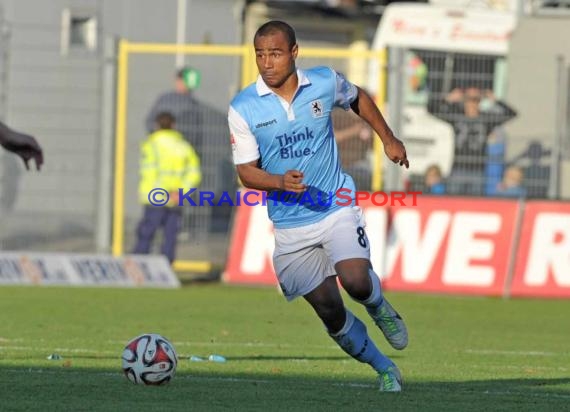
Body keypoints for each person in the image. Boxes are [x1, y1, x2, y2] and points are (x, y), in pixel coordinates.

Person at [228, 21, 409, 392]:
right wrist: (278, 182)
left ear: (294, 53)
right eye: (260, 54)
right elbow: (246, 172)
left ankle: (378, 306)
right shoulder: (243, 107)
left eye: (275, 53)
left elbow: (358, 97)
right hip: (290, 224)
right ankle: (385, 368)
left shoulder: (324, 82)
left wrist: (388, 138)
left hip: (335, 203)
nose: (267, 62)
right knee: (330, 311)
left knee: (356, 280)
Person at [133, 112, 201, 264]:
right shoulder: (184, 146)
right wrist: (180, 192)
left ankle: (138, 264)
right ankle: (166, 269)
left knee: (147, 233)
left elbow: (149, 172)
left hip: (154, 198)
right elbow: (194, 173)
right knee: (170, 235)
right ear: (173, 126)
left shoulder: (151, 145)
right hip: (175, 198)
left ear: (157, 125)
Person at [427, 86, 516, 196]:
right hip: (459, 168)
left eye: (475, 100)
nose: (471, 104)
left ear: (480, 102)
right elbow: (431, 109)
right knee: (453, 199)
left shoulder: (486, 119)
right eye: (468, 99)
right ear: (464, 101)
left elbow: (511, 114)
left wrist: (495, 99)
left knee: (474, 201)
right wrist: (449, 98)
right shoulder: (457, 116)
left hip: (478, 170)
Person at [145, 67, 204, 156]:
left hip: (182, 151)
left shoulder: (193, 104)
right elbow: (150, 122)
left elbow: (194, 132)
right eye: (181, 80)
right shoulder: (164, 100)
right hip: (162, 151)